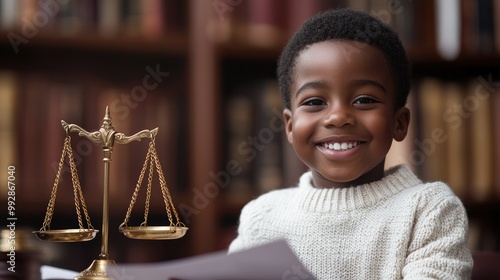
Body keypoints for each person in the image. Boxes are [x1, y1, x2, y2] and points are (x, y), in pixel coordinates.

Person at [228, 8, 473, 279]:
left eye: (364, 100)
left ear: (399, 122)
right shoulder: (262, 217)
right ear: (289, 126)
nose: (338, 117)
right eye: (314, 102)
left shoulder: (428, 212)